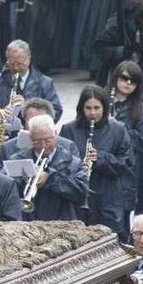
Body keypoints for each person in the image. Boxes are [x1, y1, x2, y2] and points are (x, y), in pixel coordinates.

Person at [60, 85, 133, 240]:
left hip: (108, 197)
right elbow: (61, 161)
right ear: (81, 108)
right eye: (88, 108)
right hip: (78, 197)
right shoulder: (69, 129)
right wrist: (78, 164)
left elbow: (126, 163)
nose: (92, 113)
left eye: (96, 108)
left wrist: (101, 158)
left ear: (104, 108)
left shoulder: (118, 129)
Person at [9, 115, 88, 221]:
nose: (43, 146)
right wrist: (22, 180)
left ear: (55, 134)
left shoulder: (72, 161)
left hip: (61, 221)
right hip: (27, 221)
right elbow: (6, 191)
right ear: (30, 138)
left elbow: (81, 193)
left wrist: (50, 178)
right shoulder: (17, 159)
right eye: (36, 141)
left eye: (47, 140)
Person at [106, 61, 143, 222]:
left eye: (133, 80)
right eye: (125, 78)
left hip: (125, 173)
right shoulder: (101, 101)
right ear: (116, 78)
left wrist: (119, 128)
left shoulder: (142, 111)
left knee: (121, 223)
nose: (128, 83)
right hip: (101, 167)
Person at [0, 40, 63, 121]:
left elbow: (56, 111)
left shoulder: (45, 83)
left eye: (20, 63)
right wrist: (0, 113)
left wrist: (27, 108)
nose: (16, 68)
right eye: (12, 64)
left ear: (29, 58)